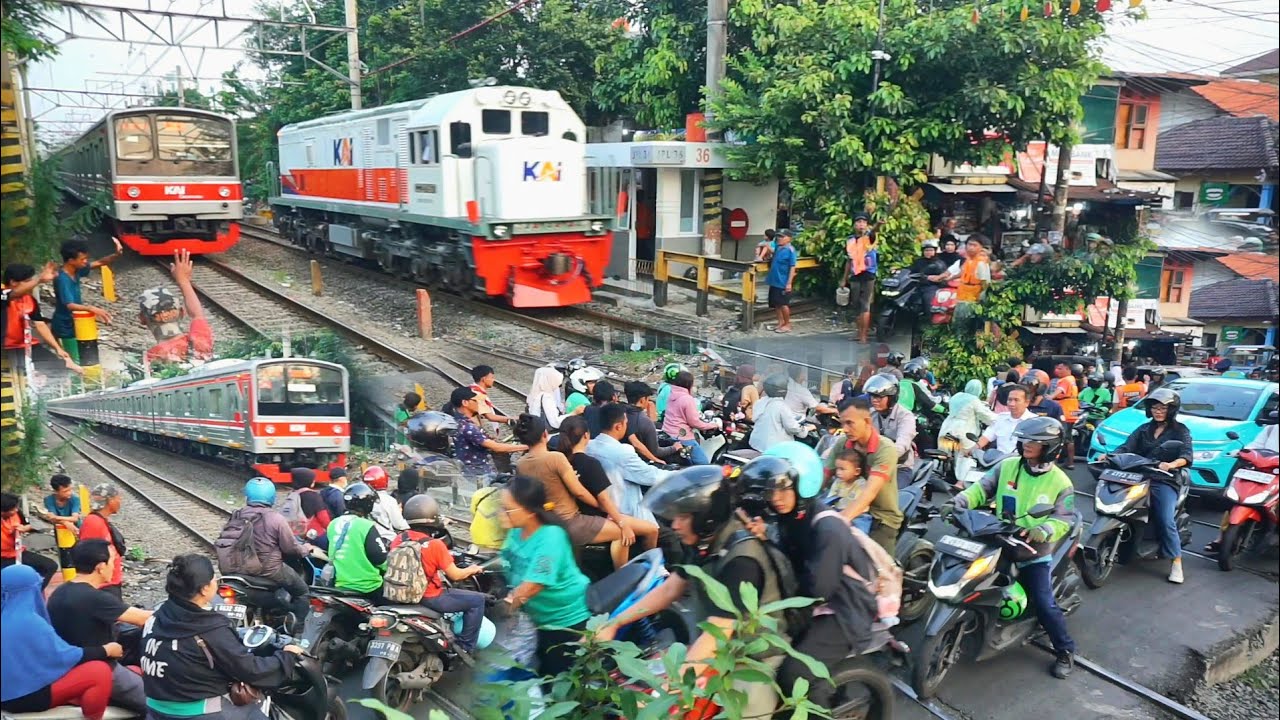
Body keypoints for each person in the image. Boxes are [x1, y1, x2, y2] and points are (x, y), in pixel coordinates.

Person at [594, 465, 795, 716]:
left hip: (753, 655)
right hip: (713, 643)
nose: (675, 524)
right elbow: (670, 589)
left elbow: (718, 634)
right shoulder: (703, 541)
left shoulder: (742, 559)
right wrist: (614, 623)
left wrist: (669, 690)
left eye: (684, 517)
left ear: (706, 517)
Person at [737, 447, 879, 710]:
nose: (776, 498)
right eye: (771, 491)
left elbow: (817, 589)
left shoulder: (828, 528)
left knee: (795, 675)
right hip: (815, 602)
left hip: (845, 609)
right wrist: (767, 537)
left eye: (784, 489)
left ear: (804, 485)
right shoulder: (789, 518)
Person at [947, 416, 1078, 679]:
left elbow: (1064, 518)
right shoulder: (1007, 466)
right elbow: (981, 490)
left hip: (1032, 551)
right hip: (998, 537)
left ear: (1050, 447)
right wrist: (958, 502)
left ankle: (1065, 649)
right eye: (1025, 440)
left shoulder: (1061, 482)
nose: (1026, 444)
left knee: (1043, 602)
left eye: (1034, 442)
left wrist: (1043, 531)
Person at [141, 554, 303, 719]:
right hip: (194, 712)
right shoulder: (209, 628)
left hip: (154, 707)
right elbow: (250, 670)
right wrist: (286, 657)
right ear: (204, 589)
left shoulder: (157, 616)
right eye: (213, 578)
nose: (216, 581)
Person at [516, 413, 651, 566]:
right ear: (545, 434)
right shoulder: (556, 458)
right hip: (570, 521)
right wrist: (601, 507)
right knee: (622, 533)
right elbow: (578, 491)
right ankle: (621, 579)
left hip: (545, 522)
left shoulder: (521, 464)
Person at [497, 474, 592, 678]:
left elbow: (533, 586)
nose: (501, 514)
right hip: (536, 619)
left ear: (530, 511)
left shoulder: (551, 537)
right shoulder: (516, 531)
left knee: (559, 681)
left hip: (565, 621)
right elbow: (503, 563)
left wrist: (497, 612)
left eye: (507, 509)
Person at [1097, 389, 1193, 584]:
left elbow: (1187, 455)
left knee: (1166, 519)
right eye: (1155, 407)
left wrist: (1171, 464)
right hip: (1138, 475)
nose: (1158, 411)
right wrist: (1111, 455)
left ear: (1171, 410)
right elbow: (1126, 447)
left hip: (1163, 479)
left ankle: (1176, 562)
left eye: (1163, 408)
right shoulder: (1143, 429)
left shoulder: (1180, 431)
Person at [1, 565, 119, 720]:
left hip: (7, 692)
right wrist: (106, 650)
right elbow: (64, 657)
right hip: (22, 698)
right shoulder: (30, 621)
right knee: (99, 671)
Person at [47, 539, 151, 713]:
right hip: (100, 669)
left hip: (72, 665)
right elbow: (143, 619)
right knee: (159, 703)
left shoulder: (61, 591)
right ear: (100, 567)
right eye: (113, 561)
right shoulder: (94, 598)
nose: (116, 566)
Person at [392, 495, 487, 654]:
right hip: (429, 597)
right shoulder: (435, 545)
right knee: (477, 600)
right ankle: (465, 648)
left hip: (401, 594)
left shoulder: (398, 539)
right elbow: (455, 575)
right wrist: (472, 569)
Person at [559, 415, 659, 566]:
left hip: (576, 513)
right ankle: (647, 569)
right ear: (586, 435)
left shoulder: (561, 461)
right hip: (596, 515)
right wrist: (621, 521)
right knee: (651, 529)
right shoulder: (590, 463)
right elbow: (604, 500)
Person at [215, 477, 314, 623]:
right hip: (268, 571)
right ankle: (298, 631)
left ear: (247, 496)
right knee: (302, 591)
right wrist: (306, 549)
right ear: (272, 497)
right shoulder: (275, 518)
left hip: (233, 571)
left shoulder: (236, 515)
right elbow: (291, 548)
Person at [825, 397, 904, 554]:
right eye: (842, 423)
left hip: (880, 517)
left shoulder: (885, 449)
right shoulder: (842, 444)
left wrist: (841, 520)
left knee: (875, 570)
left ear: (867, 421)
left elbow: (869, 492)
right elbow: (824, 474)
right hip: (844, 508)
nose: (845, 429)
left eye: (850, 423)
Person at [588, 403, 671, 524]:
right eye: (626, 423)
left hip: (602, 508)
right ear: (618, 426)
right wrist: (678, 474)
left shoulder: (589, 446)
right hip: (625, 512)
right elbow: (650, 476)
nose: (627, 426)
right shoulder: (622, 453)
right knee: (669, 537)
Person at [51, 237, 122, 363]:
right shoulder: (62, 279)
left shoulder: (76, 270)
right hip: (65, 325)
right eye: (82, 259)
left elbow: (100, 262)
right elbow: (70, 304)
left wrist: (116, 255)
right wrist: (92, 309)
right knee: (74, 359)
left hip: (76, 321)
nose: (86, 262)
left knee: (84, 356)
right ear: (71, 260)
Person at [139, 249, 213, 365]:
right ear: (182, 312)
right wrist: (184, 281)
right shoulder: (200, 341)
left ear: (142, 319)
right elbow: (197, 315)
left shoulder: (150, 359)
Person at [2, 263, 81, 373]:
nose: (31, 285)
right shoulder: (3, 294)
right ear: (13, 282)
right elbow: (12, 294)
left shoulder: (29, 299)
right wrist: (39, 279)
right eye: (27, 281)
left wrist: (57, 348)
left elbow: (40, 324)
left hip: (25, 345)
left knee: (58, 368)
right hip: (5, 348)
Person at [328, 483, 392, 599]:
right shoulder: (365, 526)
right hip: (368, 587)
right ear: (368, 504)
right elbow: (380, 558)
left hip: (340, 584)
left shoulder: (333, 524)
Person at [450, 386, 528, 474]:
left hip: (469, 469)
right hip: (478, 473)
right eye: (475, 400)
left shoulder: (459, 421)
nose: (478, 403)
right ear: (465, 403)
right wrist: (529, 446)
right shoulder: (467, 427)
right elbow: (497, 448)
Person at [940, 379, 999, 480]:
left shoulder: (956, 396)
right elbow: (985, 415)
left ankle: (943, 471)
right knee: (967, 454)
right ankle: (962, 479)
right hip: (963, 431)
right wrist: (1000, 418)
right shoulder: (974, 400)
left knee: (944, 452)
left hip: (947, 428)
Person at [661, 370, 721, 464]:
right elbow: (694, 422)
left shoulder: (672, 394)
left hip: (668, 432)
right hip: (683, 437)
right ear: (689, 384)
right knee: (703, 464)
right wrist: (713, 425)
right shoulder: (687, 399)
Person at [1, 492, 59, 584]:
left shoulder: (17, 514)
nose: (16, 510)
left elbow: (29, 526)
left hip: (17, 552)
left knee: (50, 566)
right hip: (3, 557)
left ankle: (36, 591)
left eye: (16, 507)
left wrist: (26, 528)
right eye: (12, 509)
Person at [863, 373, 917, 472]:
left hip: (899, 467)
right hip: (874, 465)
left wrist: (884, 458)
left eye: (879, 397)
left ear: (891, 397)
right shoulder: (870, 414)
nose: (874, 400)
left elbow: (903, 443)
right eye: (872, 396)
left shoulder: (905, 416)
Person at [80, 483, 125, 599]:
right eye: (118, 498)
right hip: (104, 585)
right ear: (110, 501)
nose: (120, 502)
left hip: (109, 581)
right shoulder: (93, 523)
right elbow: (89, 556)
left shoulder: (100, 520)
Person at [621, 381, 681, 464]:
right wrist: (674, 448)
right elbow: (656, 452)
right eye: (647, 398)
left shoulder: (620, 413)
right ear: (642, 400)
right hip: (642, 461)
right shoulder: (644, 421)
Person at [750, 373, 811, 452]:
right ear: (783, 391)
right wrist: (806, 429)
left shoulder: (760, 402)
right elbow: (792, 428)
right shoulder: (781, 406)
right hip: (775, 449)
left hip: (757, 444)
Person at [843, 213, 878, 342]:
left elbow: (874, 231)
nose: (861, 225)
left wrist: (878, 224)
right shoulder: (850, 240)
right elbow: (849, 260)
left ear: (867, 225)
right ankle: (858, 333)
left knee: (865, 304)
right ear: (854, 225)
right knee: (856, 304)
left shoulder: (870, 237)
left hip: (868, 274)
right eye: (858, 222)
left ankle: (864, 336)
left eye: (863, 222)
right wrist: (844, 278)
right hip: (854, 274)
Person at [930, 234, 992, 306]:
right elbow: (960, 272)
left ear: (981, 247)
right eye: (969, 244)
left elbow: (985, 282)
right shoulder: (967, 260)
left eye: (974, 245)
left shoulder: (981, 263)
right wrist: (947, 278)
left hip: (974, 297)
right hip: (962, 295)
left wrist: (982, 297)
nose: (971, 248)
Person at [975, 384, 1034, 455]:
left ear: (1026, 402)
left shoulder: (1034, 422)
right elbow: (986, 437)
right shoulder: (1001, 418)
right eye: (1010, 400)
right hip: (998, 462)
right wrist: (974, 448)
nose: (1012, 404)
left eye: (1016, 400)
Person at [828, 447, 873, 532]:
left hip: (858, 515)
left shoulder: (861, 484)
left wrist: (845, 515)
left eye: (842, 469)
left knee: (858, 531)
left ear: (857, 471)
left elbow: (860, 504)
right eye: (837, 468)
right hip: (838, 511)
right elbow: (830, 498)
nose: (838, 472)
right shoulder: (838, 482)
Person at [279, 466, 331, 539]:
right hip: (313, 534)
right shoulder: (314, 496)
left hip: (294, 533)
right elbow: (323, 518)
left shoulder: (292, 495)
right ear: (308, 481)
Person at [361, 466, 410, 542]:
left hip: (365, 539)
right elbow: (399, 525)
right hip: (386, 540)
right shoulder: (389, 500)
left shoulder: (361, 498)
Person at [527, 365, 579, 431]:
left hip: (536, 431)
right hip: (547, 434)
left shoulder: (535, 394)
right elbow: (555, 423)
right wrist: (574, 413)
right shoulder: (547, 397)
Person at [767, 228, 798, 333]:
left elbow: (792, 267)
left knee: (784, 303)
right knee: (776, 303)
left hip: (783, 281)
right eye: (778, 236)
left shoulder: (790, 250)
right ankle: (780, 322)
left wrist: (789, 282)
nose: (779, 239)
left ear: (789, 238)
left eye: (782, 237)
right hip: (774, 280)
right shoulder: (778, 248)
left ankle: (787, 324)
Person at [1049, 362, 1081, 468]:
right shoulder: (1072, 379)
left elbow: (1058, 392)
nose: (1057, 370)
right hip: (1072, 411)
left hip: (1065, 411)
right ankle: (1069, 462)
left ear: (1067, 369)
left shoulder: (1065, 380)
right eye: (1056, 368)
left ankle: (1055, 461)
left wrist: (1049, 398)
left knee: (1060, 437)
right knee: (1069, 438)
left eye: (1060, 368)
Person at [910, 239, 948, 311]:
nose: (928, 252)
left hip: (931, 287)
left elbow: (944, 278)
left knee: (928, 299)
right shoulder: (918, 261)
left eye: (931, 250)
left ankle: (929, 317)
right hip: (916, 285)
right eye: (926, 250)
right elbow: (910, 271)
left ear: (935, 251)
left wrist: (934, 279)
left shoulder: (939, 264)